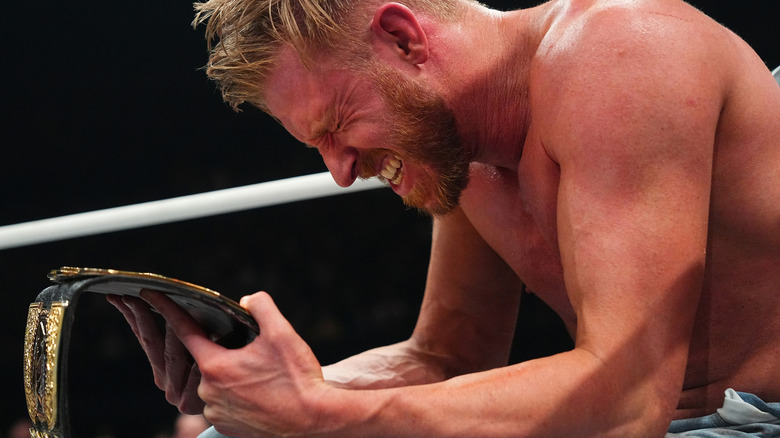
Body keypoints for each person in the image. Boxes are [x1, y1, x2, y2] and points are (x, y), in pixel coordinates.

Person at [108, 0, 780, 436]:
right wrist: (266, 395)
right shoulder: (460, 146)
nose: (341, 171)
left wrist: (324, 415)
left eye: (340, 126)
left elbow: (628, 398)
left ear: (403, 38)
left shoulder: (622, 59)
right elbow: (444, 356)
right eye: (317, 146)